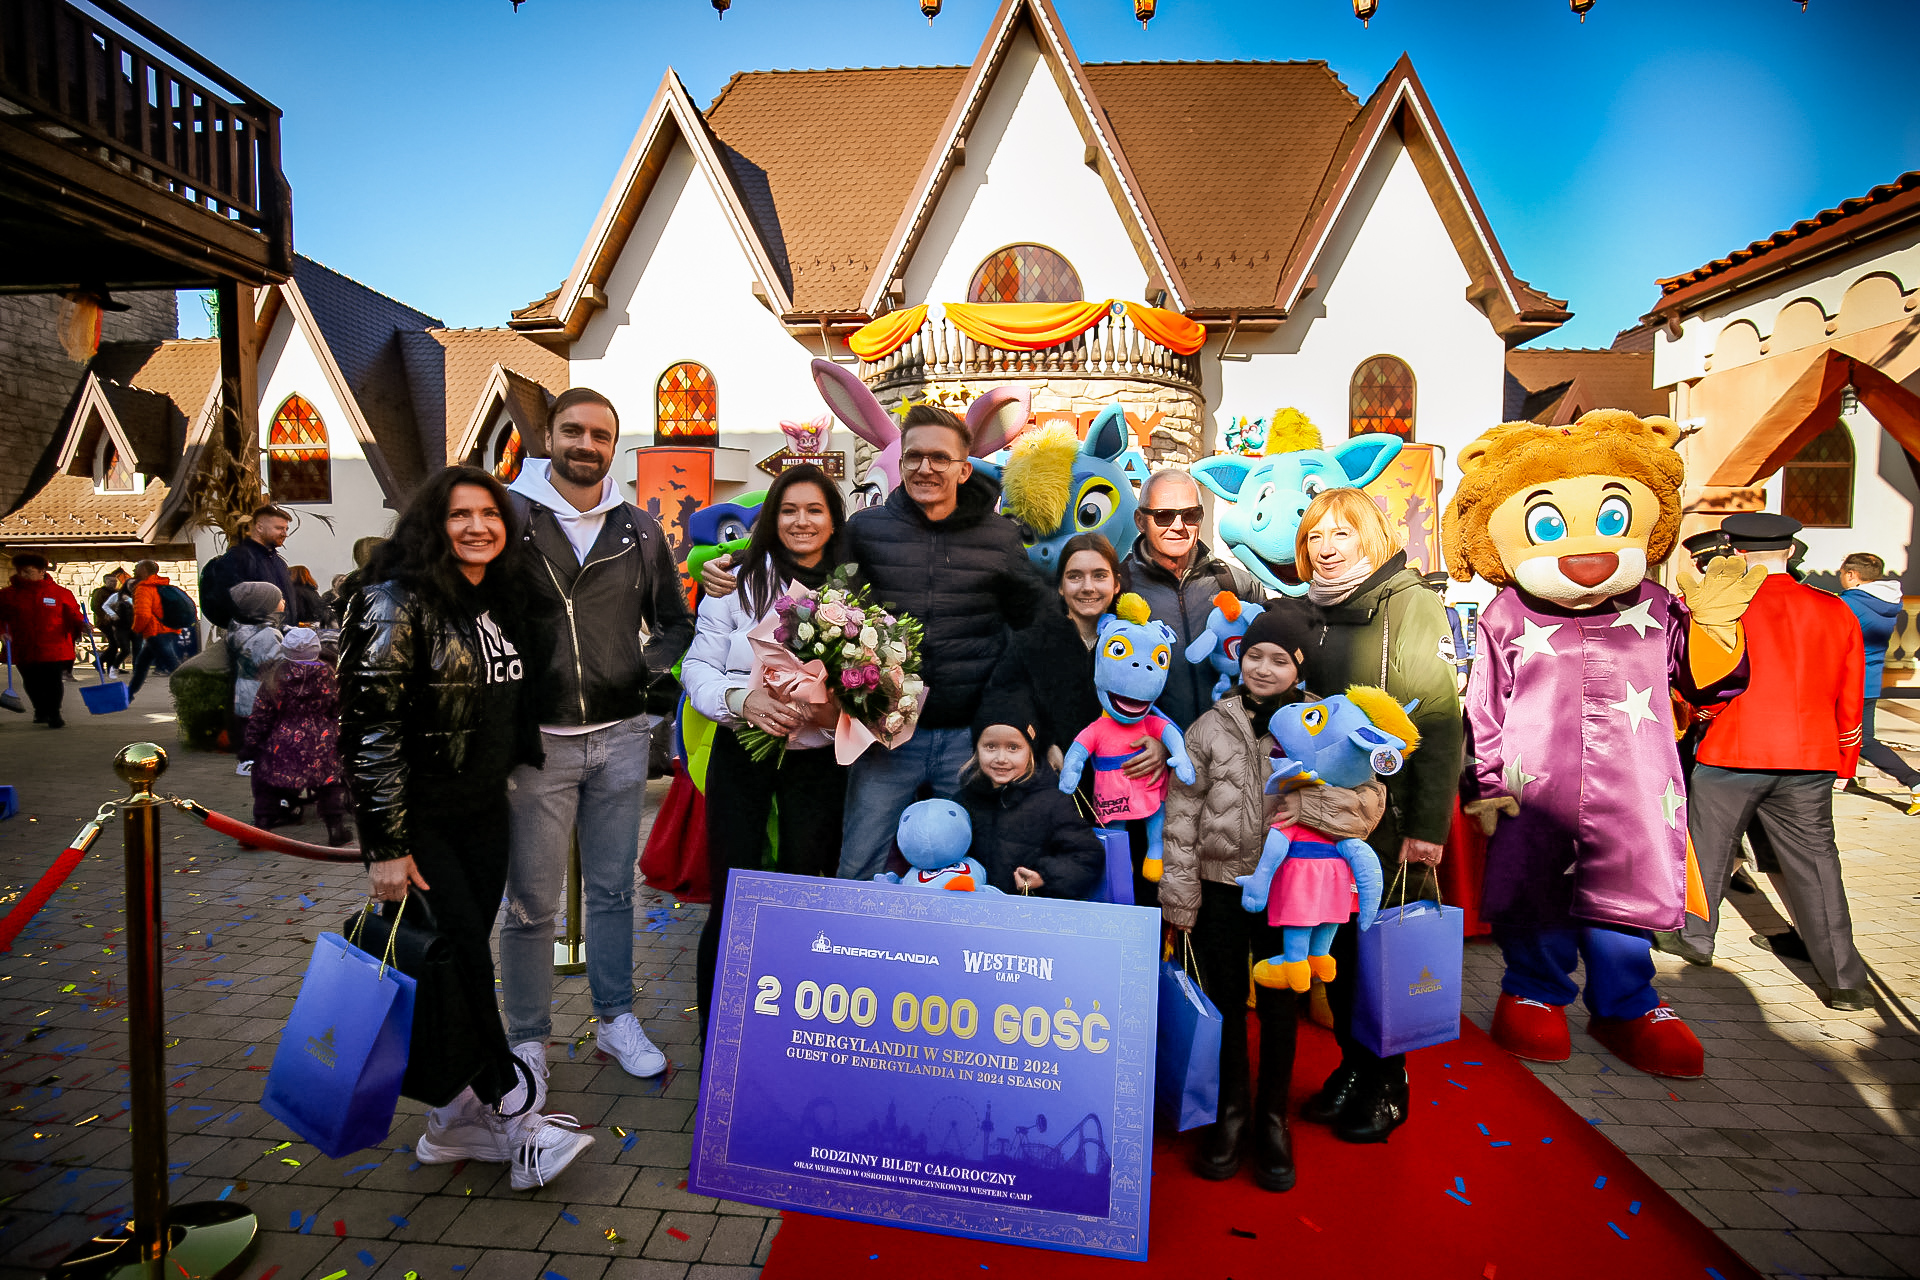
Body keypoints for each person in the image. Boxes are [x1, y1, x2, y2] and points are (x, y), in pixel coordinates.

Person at [338, 465, 590, 1190]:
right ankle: (514, 1118)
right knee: (468, 969)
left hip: (483, 812)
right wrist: (386, 846)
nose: (478, 526)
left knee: (455, 964)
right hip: (424, 821)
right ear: (431, 524)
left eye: (490, 513)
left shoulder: (496, 598)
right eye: (460, 515)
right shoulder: (393, 601)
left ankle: (452, 1124)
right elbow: (371, 729)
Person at [703, 403, 1045, 882]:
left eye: (940, 458)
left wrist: (1029, 720)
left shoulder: (1000, 537)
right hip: (888, 735)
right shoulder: (867, 529)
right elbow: (810, 558)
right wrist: (735, 562)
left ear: (964, 469)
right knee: (858, 867)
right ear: (900, 462)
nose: (925, 468)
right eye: (914, 456)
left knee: (977, 861)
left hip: (966, 737)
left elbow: (1033, 621)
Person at [502, 387, 694, 1091]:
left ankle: (615, 1018)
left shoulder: (638, 529)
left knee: (613, 892)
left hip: (618, 738)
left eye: (600, 435)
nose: (586, 444)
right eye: (573, 431)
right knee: (531, 905)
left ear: (615, 445)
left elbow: (674, 623)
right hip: (537, 744)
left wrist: (637, 674)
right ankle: (527, 1039)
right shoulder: (509, 516)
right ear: (550, 436)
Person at [1161, 609, 1386, 1189]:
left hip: (1292, 889)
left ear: (1298, 666)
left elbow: (1367, 803)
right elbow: (1181, 815)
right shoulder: (1210, 726)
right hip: (1219, 885)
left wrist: (1309, 806)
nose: (1263, 668)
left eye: (1278, 659)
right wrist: (1180, 896)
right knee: (1225, 1001)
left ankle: (1272, 1117)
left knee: (1282, 1003)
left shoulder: (1325, 722)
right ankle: (1232, 1111)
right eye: (1254, 656)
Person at [1280, 487, 1460, 1143]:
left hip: (1390, 817)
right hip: (1324, 815)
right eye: (1316, 536)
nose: (1327, 548)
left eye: (1342, 534)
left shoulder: (1410, 605)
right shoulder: (1309, 609)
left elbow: (1440, 723)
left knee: (1379, 953)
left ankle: (1388, 1080)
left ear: (1371, 538)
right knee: (1342, 952)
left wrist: (1427, 828)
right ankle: (1355, 1065)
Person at [684, 464, 851, 1042]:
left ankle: (789, 1042)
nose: (801, 521)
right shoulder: (737, 581)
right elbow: (698, 666)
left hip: (818, 763)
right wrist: (741, 700)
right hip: (742, 751)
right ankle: (719, 1041)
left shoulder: (854, 589)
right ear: (772, 518)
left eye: (814, 510)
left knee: (806, 891)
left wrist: (839, 709)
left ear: (833, 520)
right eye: (789, 510)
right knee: (732, 893)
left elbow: (872, 679)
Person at [1682, 513, 1870, 1011]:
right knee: (1818, 865)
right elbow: (1851, 692)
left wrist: (1704, 718)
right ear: (1790, 551)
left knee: (1707, 854)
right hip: (1810, 754)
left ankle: (1694, 940)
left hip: (1733, 748)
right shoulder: (1835, 609)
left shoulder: (1722, 605)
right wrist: (1846, 758)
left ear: (1734, 552)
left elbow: (1702, 682)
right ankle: (1845, 980)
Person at [981, 533, 1168, 814]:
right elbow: (1004, 703)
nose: (1088, 587)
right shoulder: (1032, 642)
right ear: (1060, 586)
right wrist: (1040, 743)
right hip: (1050, 792)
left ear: (1116, 584)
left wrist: (1160, 744)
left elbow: (1158, 703)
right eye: (1075, 576)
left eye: (1099, 576)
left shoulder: (1140, 642)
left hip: (1125, 796)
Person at [1118, 469, 1266, 732]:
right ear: (1140, 521)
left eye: (1189, 515)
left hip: (1226, 747)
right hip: (1151, 749)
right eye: (1163, 516)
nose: (1178, 526)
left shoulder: (1236, 584)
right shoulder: (1117, 588)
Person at [959, 717, 1103, 898]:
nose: (1001, 758)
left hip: (1028, 908)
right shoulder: (964, 800)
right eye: (990, 746)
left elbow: (1088, 855)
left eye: (1013, 747)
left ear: (1031, 751)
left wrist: (1044, 876)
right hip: (972, 907)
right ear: (976, 749)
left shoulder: (1053, 803)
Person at [244, 626, 354, 846]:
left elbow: (261, 714)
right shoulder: (331, 675)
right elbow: (343, 707)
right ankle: (335, 828)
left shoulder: (276, 675)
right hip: (324, 742)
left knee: (266, 780)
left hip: (283, 743)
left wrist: (251, 743)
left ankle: (262, 825)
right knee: (330, 783)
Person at [1839, 551, 1917, 808]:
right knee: (1863, 739)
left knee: (1853, 738)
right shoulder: (1888, 602)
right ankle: (1915, 782)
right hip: (1870, 681)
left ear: (1852, 575)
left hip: (1845, 681)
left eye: (1842, 573)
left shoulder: (1848, 603)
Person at [0, 554, 89, 728]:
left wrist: (82, 624)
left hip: (54, 646)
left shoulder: (60, 593)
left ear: (42, 571)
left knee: (53, 680)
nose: (22, 575)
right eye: (20, 571)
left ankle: (54, 714)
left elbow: (73, 614)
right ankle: (40, 710)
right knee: (31, 680)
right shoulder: (7, 595)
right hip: (23, 645)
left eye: (28, 571)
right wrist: (2, 632)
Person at [200, 505, 297, 629]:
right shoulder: (238, 558)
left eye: (286, 529)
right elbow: (227, 600)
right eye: (279, 528)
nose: (285, 534)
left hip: (280, 635)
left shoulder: (279, 562)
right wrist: (254, 627)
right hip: (256, 636)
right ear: (259, 527)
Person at [226, 582, 285, 772]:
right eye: (278, 599)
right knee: (262, 728)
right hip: (262, 691)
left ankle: (249, 759)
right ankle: (252, 763)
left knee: (249, 727)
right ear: (264, 605)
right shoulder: (267, 634)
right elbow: (273, 663)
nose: (283, 601)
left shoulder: (242, 628)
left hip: (244, 689)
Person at [127, 559, 189, 698]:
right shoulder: (161, 585)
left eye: (137, 567)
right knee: (142, 664)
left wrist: (136, 629)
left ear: (144, 570)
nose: (134, 570)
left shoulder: (144, 588)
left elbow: (143, 614)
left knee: (173, 666)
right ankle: (128, 694)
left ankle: (191, 694)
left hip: (156, 632)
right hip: (168, 630)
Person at [90, 569, 130, 669]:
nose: (113, 583)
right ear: (105, 582)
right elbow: (95, 607)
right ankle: (100, 662)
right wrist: (106, 616)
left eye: (115, 581)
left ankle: (110, 666)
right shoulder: (100, 592)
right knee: (114, 644)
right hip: (104, 622)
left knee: (115, 644)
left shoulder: (117, 593)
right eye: (111, 581)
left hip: (116, 622)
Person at [288, 564, 330, 630]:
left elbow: (299, 612)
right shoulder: (312, 591)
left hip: (301, 627)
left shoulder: (295, 592)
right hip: (315, 626)